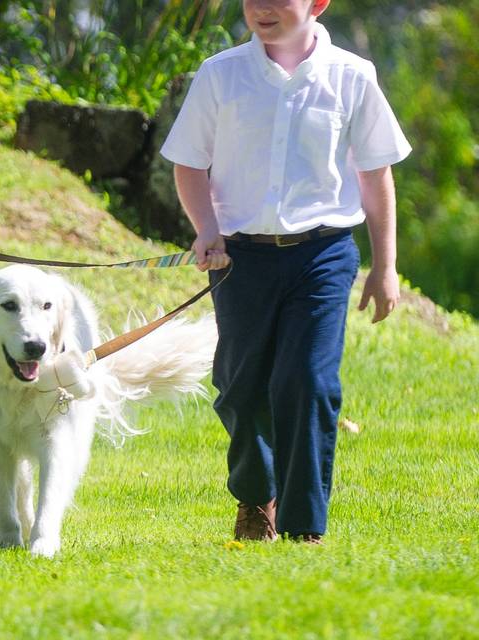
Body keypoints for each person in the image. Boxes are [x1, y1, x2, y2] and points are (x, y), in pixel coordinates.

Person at [160, 0, 410, 543]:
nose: (263, 8)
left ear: (317, 3)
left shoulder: (352, 76)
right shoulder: (220, 74)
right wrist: (206, 228)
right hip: (239, 258)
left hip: (322, 256)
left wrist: (385, 266)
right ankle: (256, 495)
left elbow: (375, 174)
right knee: (238, 387)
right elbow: (188, 162)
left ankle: (304, 529)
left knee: (308, 382)